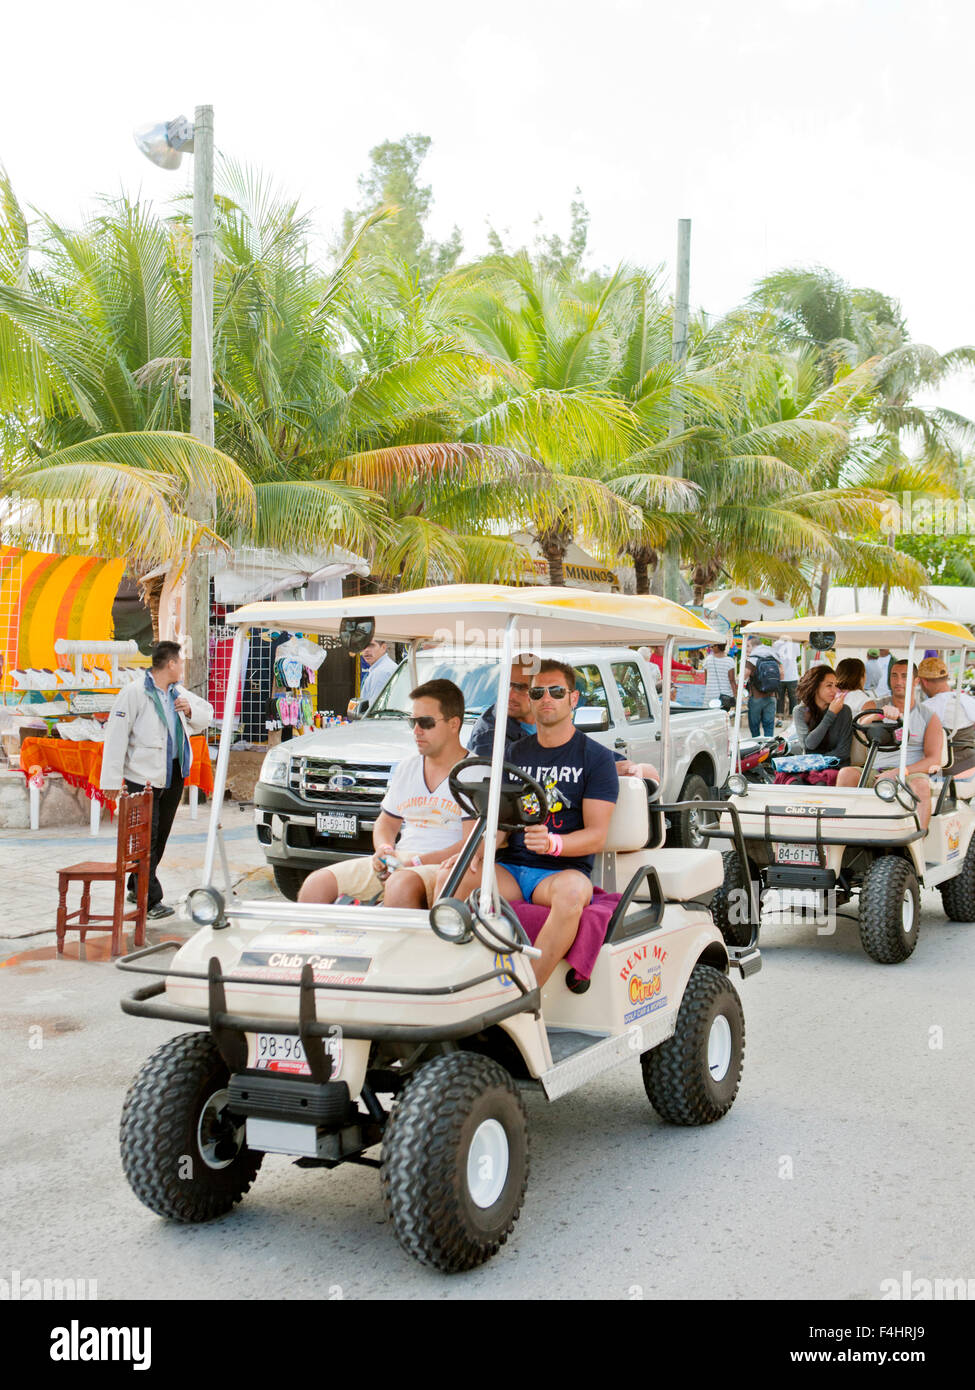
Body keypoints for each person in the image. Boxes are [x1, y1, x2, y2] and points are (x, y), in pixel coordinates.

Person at [438, 659, 619, 988]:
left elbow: (596, 836)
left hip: (560, 873)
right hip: (513, 867)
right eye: (538, 692)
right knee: (452, 876)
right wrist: (477, 850)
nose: (546, 698)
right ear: (531, 701)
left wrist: (554, 843)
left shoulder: (596, 758)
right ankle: (450, 982)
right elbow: (502, 822)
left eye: (555, 691)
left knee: (573, 894)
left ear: (573, 699)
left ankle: (526, 992)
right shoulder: (513, 753)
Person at [299, 679, 474, 909]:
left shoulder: (474, 772)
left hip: (442, 866)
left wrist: (415, 862)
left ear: (453, 724)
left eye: (426, 722)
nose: (416, 730)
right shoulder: (408, 767)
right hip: (401, 861)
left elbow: (471, 844)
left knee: (400, 884)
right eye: (412, 721)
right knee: (316, 884)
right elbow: (387, 823)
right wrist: (384, 849)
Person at [100, 640, 214, 919]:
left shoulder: (178, 692)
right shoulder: (135, 692)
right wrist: (111, 780)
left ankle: (136, 884)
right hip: (143, 777)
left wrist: (189, 710)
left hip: (173, 773)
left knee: (160, 836)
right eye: (180, 661)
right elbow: (116, 735)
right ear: (171, 664)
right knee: (146, 837)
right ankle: (149, 900)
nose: (182, 666)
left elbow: (207, 715)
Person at [836, 660, 944, 830]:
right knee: (846, 774)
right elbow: (862, 723)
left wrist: (899, 772)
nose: (898, 681)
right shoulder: (876, 705)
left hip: (910, 773)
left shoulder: (928, 716)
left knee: (921, 786)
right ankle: (842, 833)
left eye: (905, 676)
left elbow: (933, 759)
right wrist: (877, 716)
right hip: (875, 769)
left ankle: (918, 839)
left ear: (916, 681)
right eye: (894, 675)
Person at [467, 658, 537, 757]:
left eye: (520, 688)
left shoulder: (553, 717)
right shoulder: (489, 738)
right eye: (506, 684)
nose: (509, 695)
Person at [918, 656, 975, 777]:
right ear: (946, 678)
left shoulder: (925, 708)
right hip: (971, 765)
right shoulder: (969, 701)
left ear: (924, 682)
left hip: (943, 771)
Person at [793, 664, 854, 764]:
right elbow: (809, 745)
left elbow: (843, 752)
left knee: (820, 780)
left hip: (836, 767)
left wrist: (815, 760)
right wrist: (830, 715)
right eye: (829, 685)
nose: (835, 691)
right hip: (811, 768)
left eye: (836, 685)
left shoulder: (844, 711)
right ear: (815, 686)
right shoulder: (800, 711)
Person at [744, 636, 781, 737]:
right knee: (769, 726)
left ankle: (757, 749)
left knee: (754, 726)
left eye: (748, 646)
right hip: (772, 696)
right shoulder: (774, 656)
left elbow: (744, 675)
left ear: (754, 646)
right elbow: (782, 675)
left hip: (756, 697)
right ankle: (768, 749)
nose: (746, 648)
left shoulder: (753, 658)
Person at [357, 638, 397, 708]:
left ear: (383, 647)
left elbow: (375, 711)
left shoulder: (381, 672)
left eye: (371, 645)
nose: (366, 650)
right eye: (363, 645)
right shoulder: (382, 667)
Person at [702, 641, 737, 711]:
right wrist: (735, 695)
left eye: (712, 646)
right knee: (723, 717)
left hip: (710, 695)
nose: (711, 648)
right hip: (726, 697)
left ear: (717, 646)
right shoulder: (730, 661)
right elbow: (732, 681)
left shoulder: (708, 660)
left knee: (710, 718)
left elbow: (706, 679)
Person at [772, 636, 799, 718]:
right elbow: (797, 655)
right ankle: (793, 716)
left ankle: (779, 715)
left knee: (779, 697)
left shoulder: (776, 644)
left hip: (780, 674)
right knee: (793, 698)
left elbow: (774, 658)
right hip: (792, 674)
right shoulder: (796, 643)